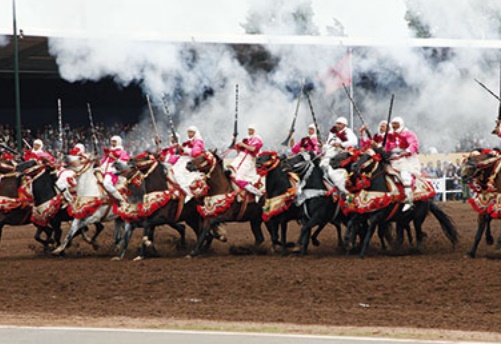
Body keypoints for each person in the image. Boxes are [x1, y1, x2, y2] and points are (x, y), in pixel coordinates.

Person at [386, 116, 420, 211]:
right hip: (392, 159)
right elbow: (387, 146)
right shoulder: (390, 135)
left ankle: (409, 200)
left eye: (396, 123)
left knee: (405, 175)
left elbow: (414, 144)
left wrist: (407, 151)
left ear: (401, 124)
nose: (394, 126)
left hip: (406, 159)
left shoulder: (408, 134)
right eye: (392, 124)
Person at [319, 116, 358, 195]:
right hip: (329, 153)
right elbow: (328, 145)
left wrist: (340, 144)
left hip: (341, 153)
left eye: (339, 124)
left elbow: (354, 142)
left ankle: (341, 187)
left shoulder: (348, 131)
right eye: (336, 123)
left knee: (328, 166)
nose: (337, 125)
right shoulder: (332, 133)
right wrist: (323, 146)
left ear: (344, 125)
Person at [229, 124, 264, 200]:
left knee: (239, 179)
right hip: (242, 159)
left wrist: (243, 145)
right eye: (249, 130)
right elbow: (240, 149)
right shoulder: (248, 139)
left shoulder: (257, 139)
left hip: (249, 160)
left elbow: (253, 149)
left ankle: (257, 192)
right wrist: (234, 142)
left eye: (251, 130)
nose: (249, 132)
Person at [100, 136, 130, 204]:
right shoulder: (109, 151)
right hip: (104, 170)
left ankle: (121, 200)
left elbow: (124, 164)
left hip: (114, 171)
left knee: (106, 184)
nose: (112, 143)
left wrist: (113, 157)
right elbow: (102, 161)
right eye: (111, 141)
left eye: (114, 141)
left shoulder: (122, 152)